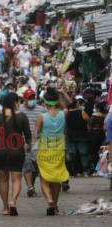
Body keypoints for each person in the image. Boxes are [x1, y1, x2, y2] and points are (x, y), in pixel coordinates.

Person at [35, 88, 69, 216]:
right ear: (56, 102)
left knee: (44, 178)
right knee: (56, 179)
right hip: (59, 149)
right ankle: (55, 204)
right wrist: (60, 93)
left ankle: (49, 200)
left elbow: (36, 133)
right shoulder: (63, 113)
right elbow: (66, 105)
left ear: (45, 102)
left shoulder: (41, 117)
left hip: (45, 148)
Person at [20, 88, 46, 197]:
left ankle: (32, 185)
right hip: (24, 142)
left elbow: (46, 124)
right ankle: (30, 187)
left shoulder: (42, 110)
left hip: (39, 142)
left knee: (36, 167)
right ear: (24, 99)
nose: (31, 99)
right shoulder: (20, 110)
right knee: (27, 165)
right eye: (29, 98)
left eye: (33, 97)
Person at [65, 99, 90, 177]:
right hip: (82, 136)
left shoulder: (67, 113)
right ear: (76, 105)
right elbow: (88, 120)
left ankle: (71, 171)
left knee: (71, 154)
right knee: (83, 154)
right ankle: (85, 171)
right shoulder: (82, 112)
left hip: (70, 136)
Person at [89, 102, 107, 173]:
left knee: (93, 152)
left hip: (94, 134)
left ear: (98, 108)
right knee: (101, 151)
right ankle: (101, 167)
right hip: (102, 134)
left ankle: (95, 167)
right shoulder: (105, 115)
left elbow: (89, 126)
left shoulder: (93, 116)